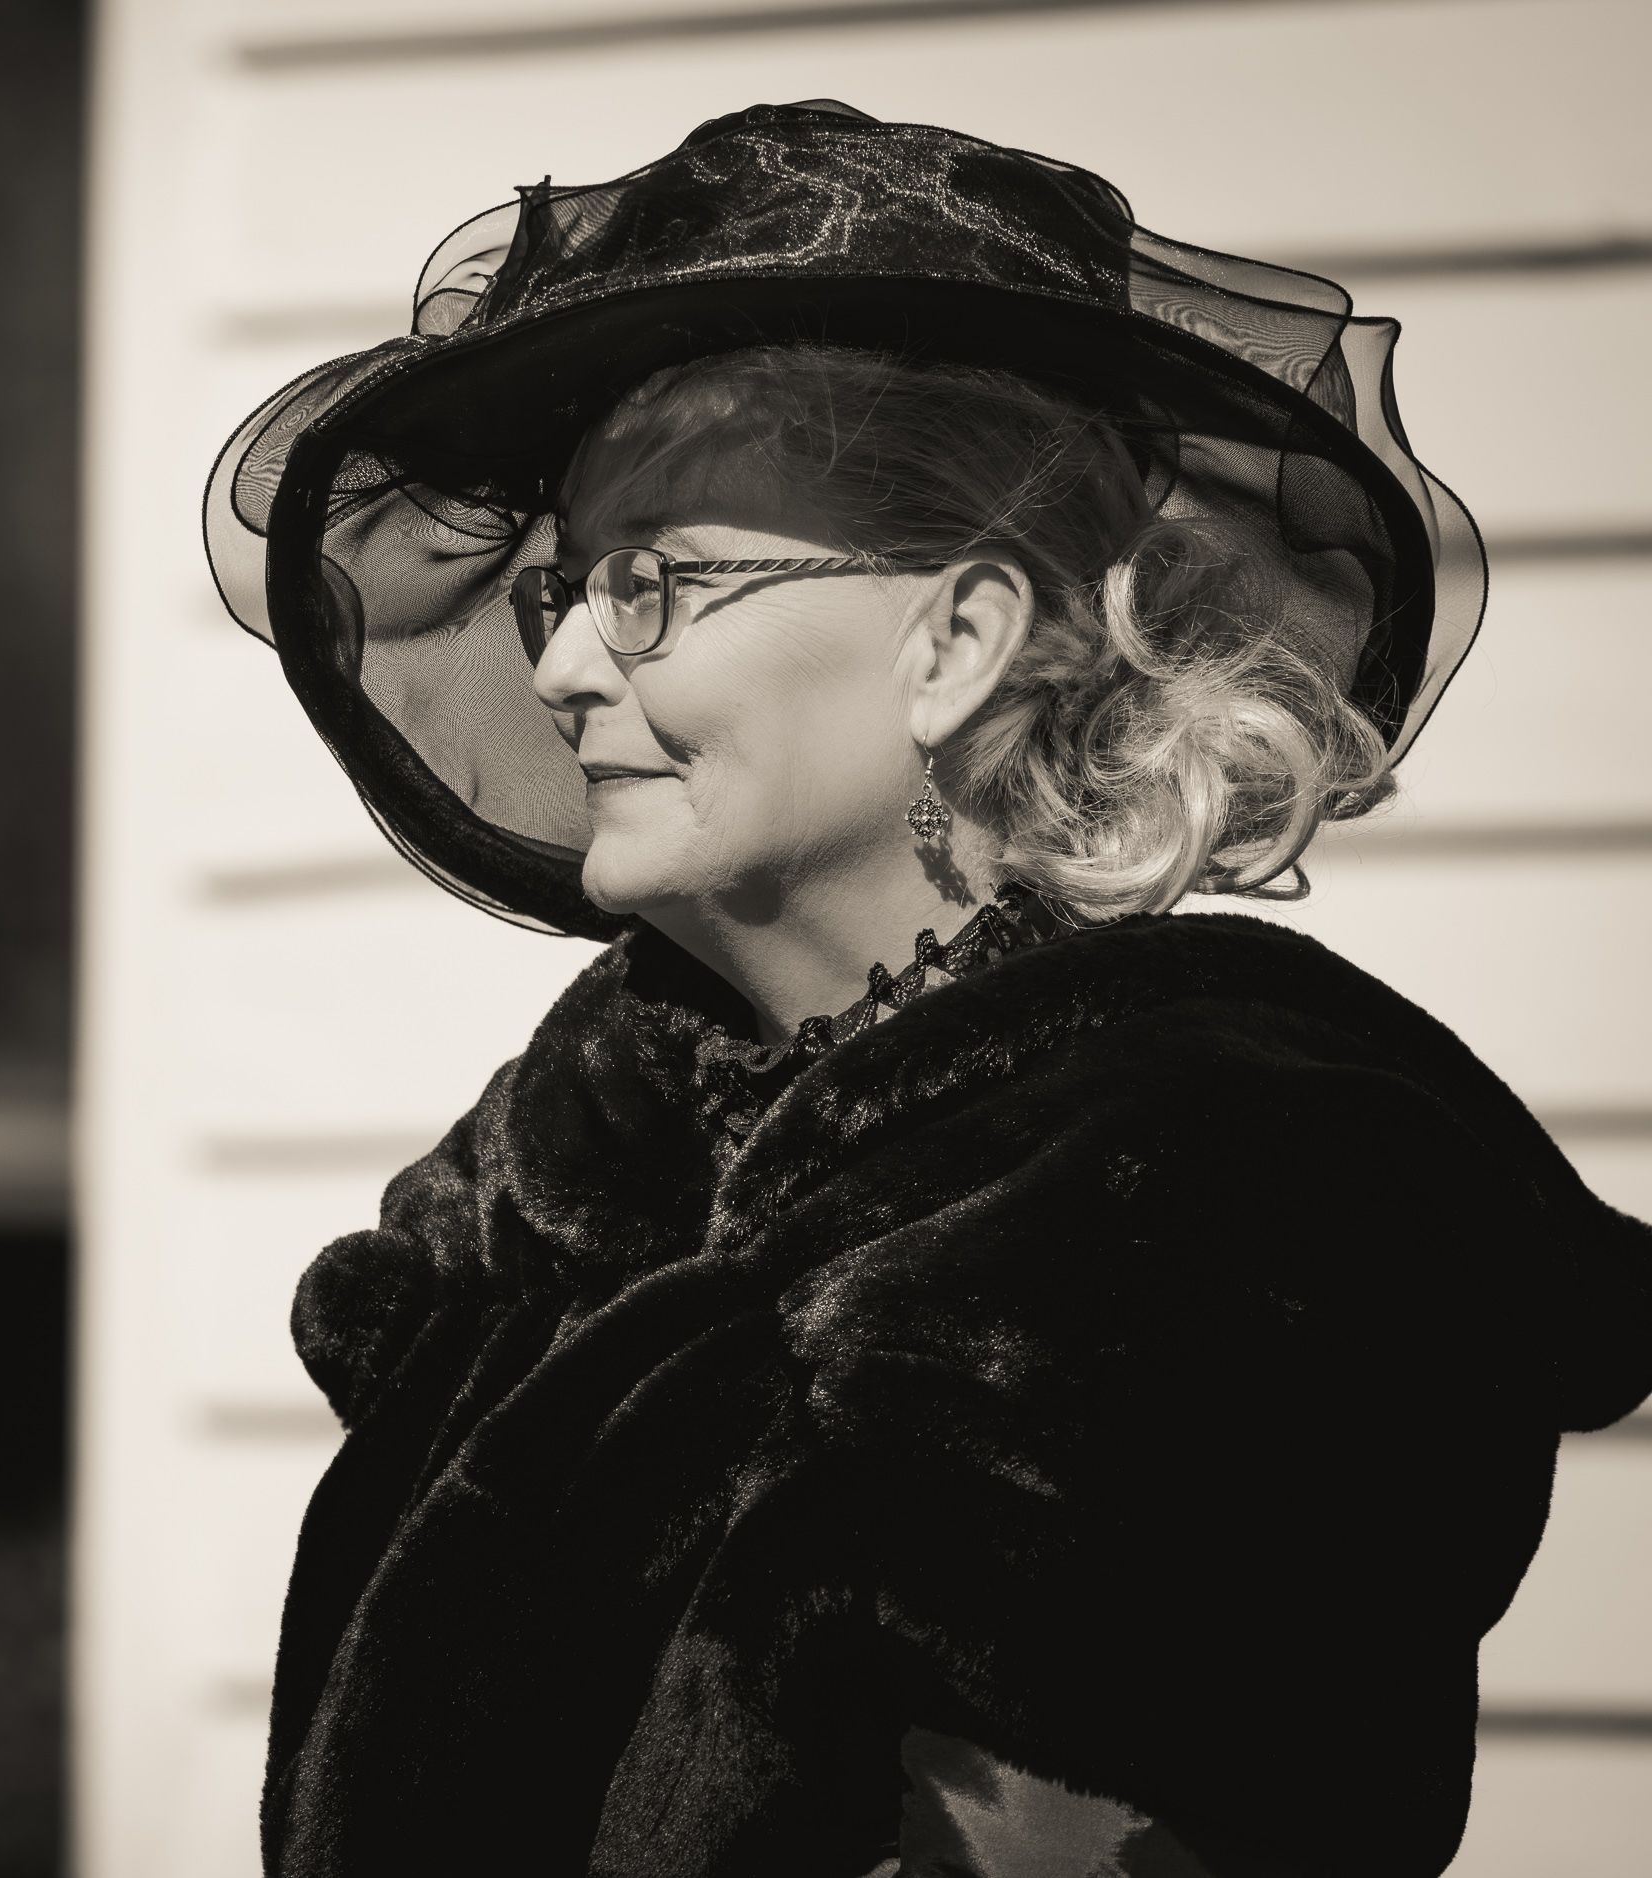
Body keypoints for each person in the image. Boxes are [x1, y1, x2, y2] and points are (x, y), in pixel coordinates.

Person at [203, 102, 1652, 1877]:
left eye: (654, 581)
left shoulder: (1205, 1214)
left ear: (955, 640)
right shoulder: (548, 1202)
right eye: (563, 591)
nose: (568, 663)